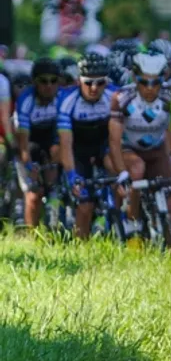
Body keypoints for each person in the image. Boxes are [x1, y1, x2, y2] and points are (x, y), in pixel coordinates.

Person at [109, 52, 171, 243]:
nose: (150, 89)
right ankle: (133, 224)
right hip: (130, 150)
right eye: (144, 82)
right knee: (137, 169)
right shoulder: (122, 98)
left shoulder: (170, 97)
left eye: (155, 83)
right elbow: (114, 140)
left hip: (157, 151)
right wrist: (121, 172)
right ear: (135, 78)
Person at [58, 54, 119, 239]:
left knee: (115, 170)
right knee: (85, 204)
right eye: (88, 83)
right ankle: (81, 248)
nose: (94, 88)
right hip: (78, 150)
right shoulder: (67, 101)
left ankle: (122, 225)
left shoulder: (114, 96)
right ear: (79, 81)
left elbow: (119, 137)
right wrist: (71, 176)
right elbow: (65, 144)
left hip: (104, 147)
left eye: (100, 83)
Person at [14, 58, 64, 228]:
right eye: (43, 81)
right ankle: (32, 234)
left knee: (56, 153)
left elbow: (64, 134)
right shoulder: (25, 100)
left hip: (51, 138)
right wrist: (28, 167)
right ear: (35, 82)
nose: (48, 85)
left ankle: (54, 195)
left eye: (53, 80)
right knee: (34, 194)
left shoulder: (61, 98)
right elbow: (23, 142)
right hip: (30, 140)